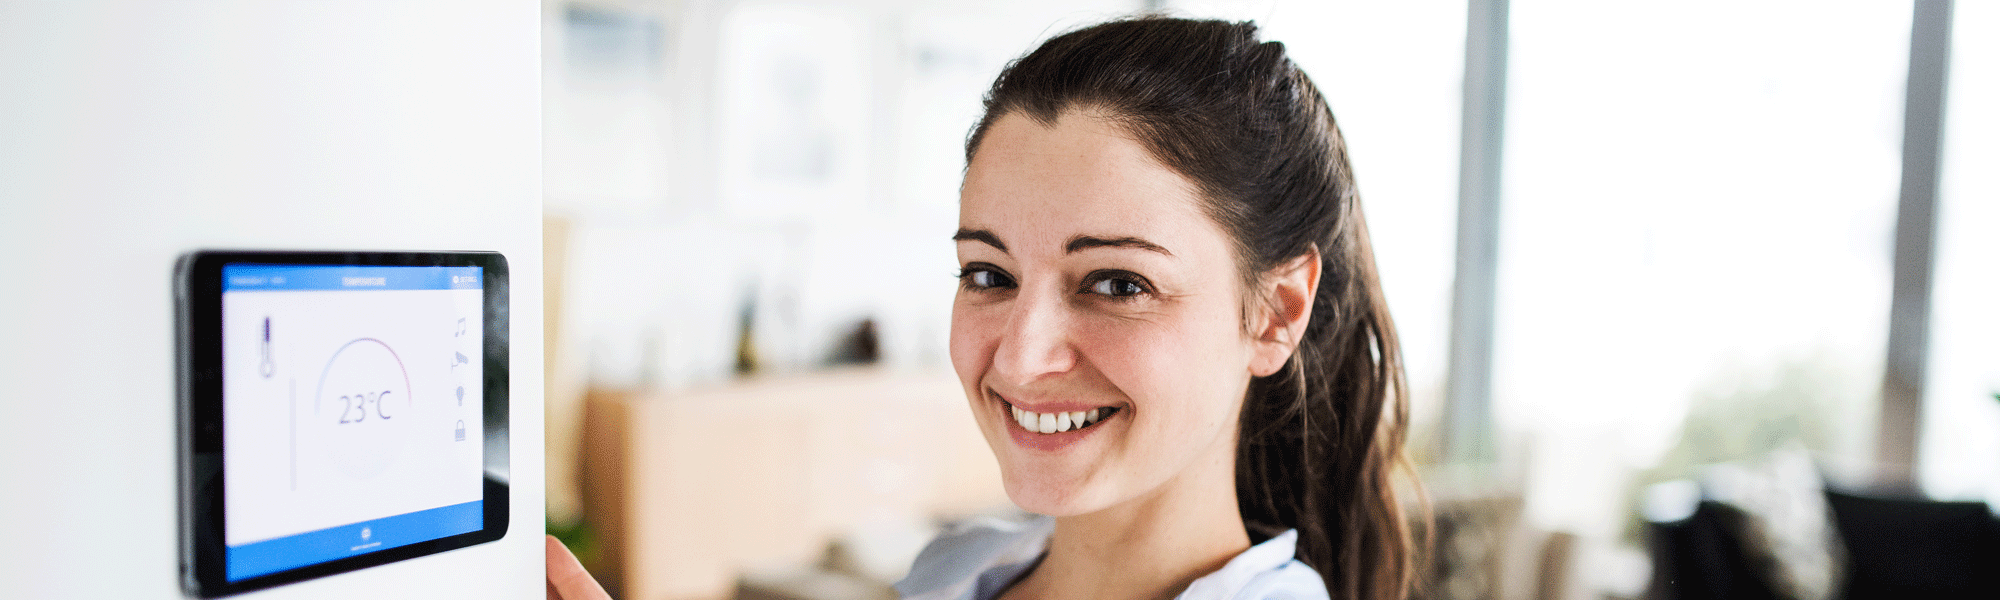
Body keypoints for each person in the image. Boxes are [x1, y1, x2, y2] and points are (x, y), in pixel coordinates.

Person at [549, 16, 1418, 600]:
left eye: (1117, 283)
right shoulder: (954, 571)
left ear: (1274, 313)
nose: (1018, 356)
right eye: (989, 275)